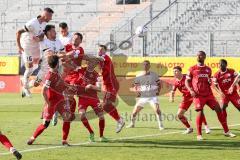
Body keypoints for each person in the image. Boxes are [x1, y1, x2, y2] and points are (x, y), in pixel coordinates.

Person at [27, 55, 85, 146]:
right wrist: (48, 102)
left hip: (61, 101)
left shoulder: (57, 73)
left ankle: (64, 140)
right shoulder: (49, 75)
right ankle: (32, 138)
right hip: (52, 103)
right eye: (59, 62)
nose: (60, 63)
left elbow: (61, 82)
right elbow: (43, 91)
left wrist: (69, 86)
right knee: (46, 124)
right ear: (57, 64)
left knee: (67, 119)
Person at [185, 51, 236, 140]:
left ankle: (226, 131)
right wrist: (190, 90)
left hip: (208, 94)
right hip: (198, 95)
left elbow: (209, 81)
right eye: (197, 55)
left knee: (219, 110)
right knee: (200, 112)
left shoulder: (208, 69)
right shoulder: (192, 69)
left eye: (200, 55)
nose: (198, 56)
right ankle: (199, 135)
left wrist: (210, 83)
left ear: (204, 57)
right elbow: (187, 81)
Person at [16, 7, 54, 97]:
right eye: (50, 16)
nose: (51, 19)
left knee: (36, 66)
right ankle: (25, 88)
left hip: (36, 46)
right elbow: (18, 32)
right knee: (29, 68)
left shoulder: (44, 24)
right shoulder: (32, 24)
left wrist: (40, 38)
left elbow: (41, 36)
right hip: (27, 47)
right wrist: (19, 46)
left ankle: (25, 82)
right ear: (46, 15)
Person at [170, 66, 210, 134]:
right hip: (186, 98)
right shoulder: (176, 82)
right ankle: (189, 128)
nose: (174, 73)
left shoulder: (187, 77)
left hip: (195, 95)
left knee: (199, 111)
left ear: (180, 71)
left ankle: (206, 127)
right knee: (179, 115)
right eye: (173, 72)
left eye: (176, 71)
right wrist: (171, 97)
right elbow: (172, 91)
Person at [126, 60, 164, 130]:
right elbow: (135, 85)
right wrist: (137, 92)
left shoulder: (154, 74)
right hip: (143, 97)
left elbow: (159, 84)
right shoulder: (138, 75)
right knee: (134, 112)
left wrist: (158, 92)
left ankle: (161, 125)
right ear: (142, 66)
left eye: (147, 65)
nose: (145, 66)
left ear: (149, 66)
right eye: (144, 65)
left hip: (152, 96)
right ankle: (132, 124)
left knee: (157, 110)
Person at [98, 45, 125, 133]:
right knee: (104, 106)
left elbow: (101, 59)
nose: (99, 51)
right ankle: (119, 120)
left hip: (112, 85)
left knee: (105, 105)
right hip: (106, 85)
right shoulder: (100, 61)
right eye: (98, 50)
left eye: (101, 49)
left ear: (105, 51)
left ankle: (120, 120)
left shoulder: (105, 57)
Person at [213, 59, 240, 124]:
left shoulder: (231, 71)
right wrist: (220, 93)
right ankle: (224, 123)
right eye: (219, 64)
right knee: (222, 108)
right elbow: (214, 85)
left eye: (222, 64)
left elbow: (238, 78)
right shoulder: (216, 75)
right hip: (224, 95)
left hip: (233, 94)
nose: (220, 65)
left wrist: (233, 86)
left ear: (226, 65)